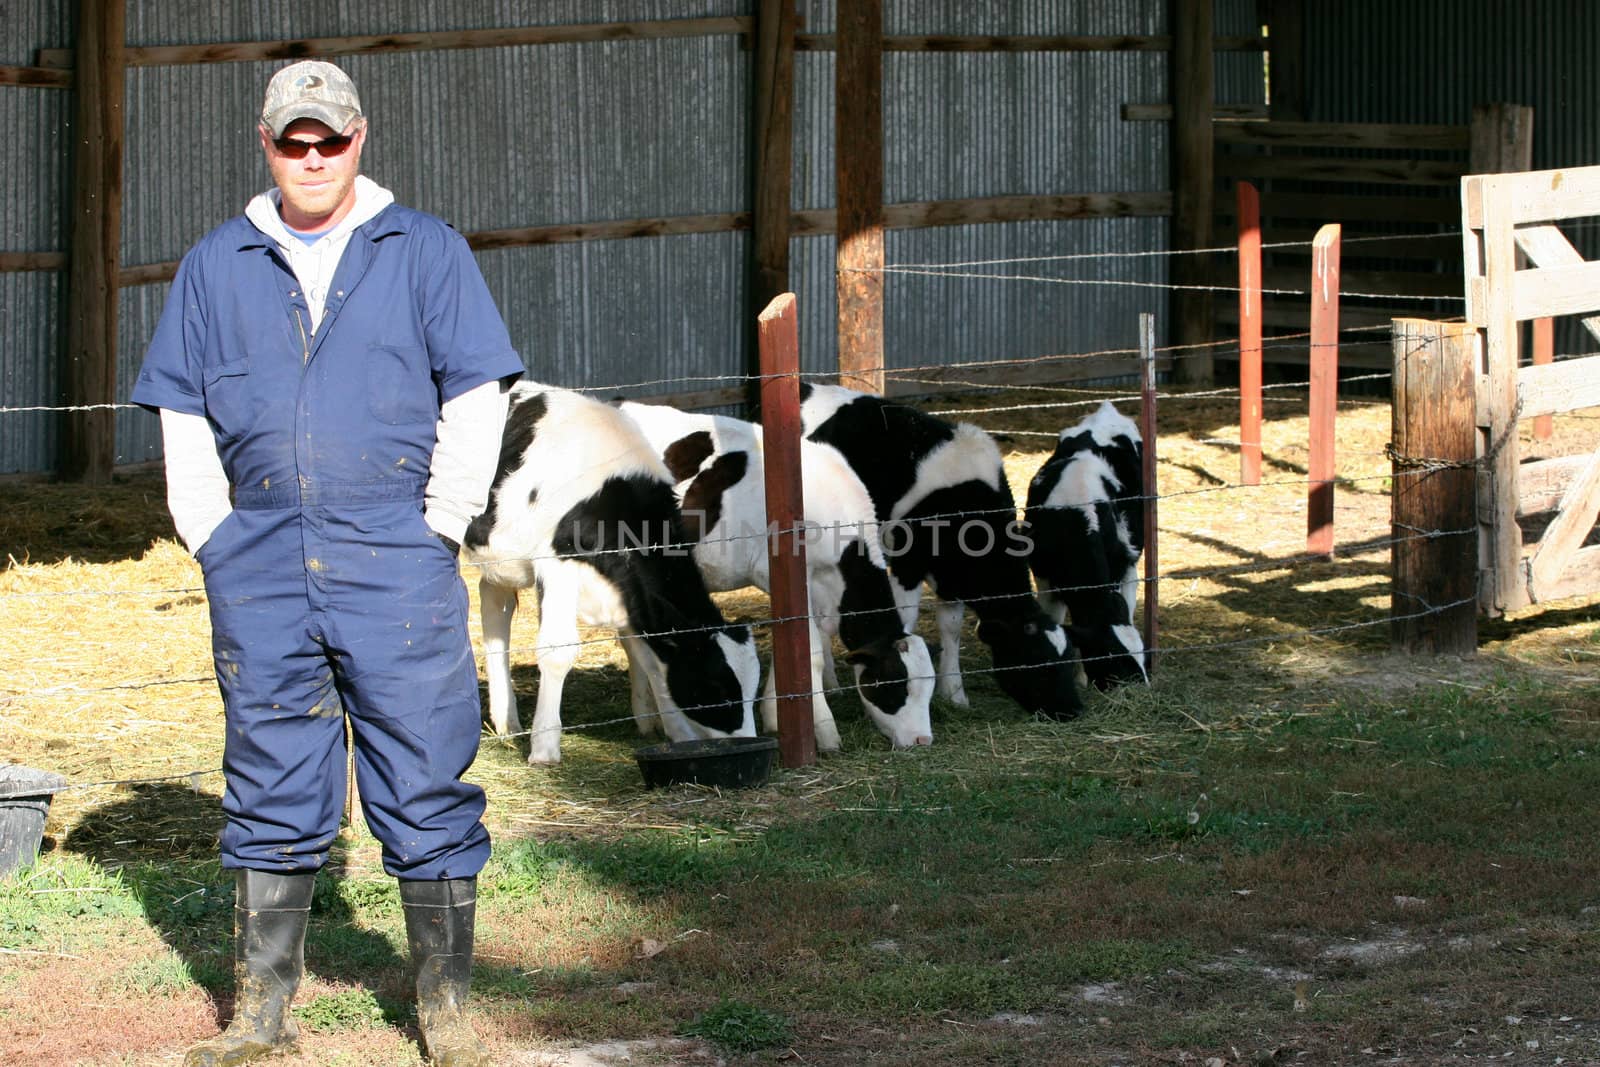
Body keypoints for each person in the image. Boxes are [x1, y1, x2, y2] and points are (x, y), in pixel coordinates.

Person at [131, 59, 524, 1067]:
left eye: (329, 139)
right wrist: (209, 532)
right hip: (257, 556)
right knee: (267, 770)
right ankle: (262, 1018)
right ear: (265, 143)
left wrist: (440, 522)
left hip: (394, 550)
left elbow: (475, 396)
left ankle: (445, 1015)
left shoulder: (423, 249)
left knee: (425, 765)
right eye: (291, 140)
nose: (311, 157)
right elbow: (181, 410)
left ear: (360, 137)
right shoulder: (217, 262)